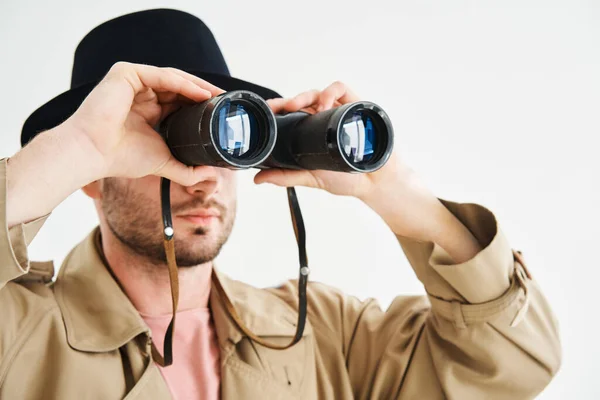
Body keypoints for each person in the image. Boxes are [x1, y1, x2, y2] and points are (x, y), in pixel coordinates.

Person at [0, 8, 561, 400]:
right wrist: (78, 148)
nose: (205, 180)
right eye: (170, 148)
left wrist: (393, 191)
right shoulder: (19, 333)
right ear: (92, 181)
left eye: (223, 144)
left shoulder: (324, 332)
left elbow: (512, 361)